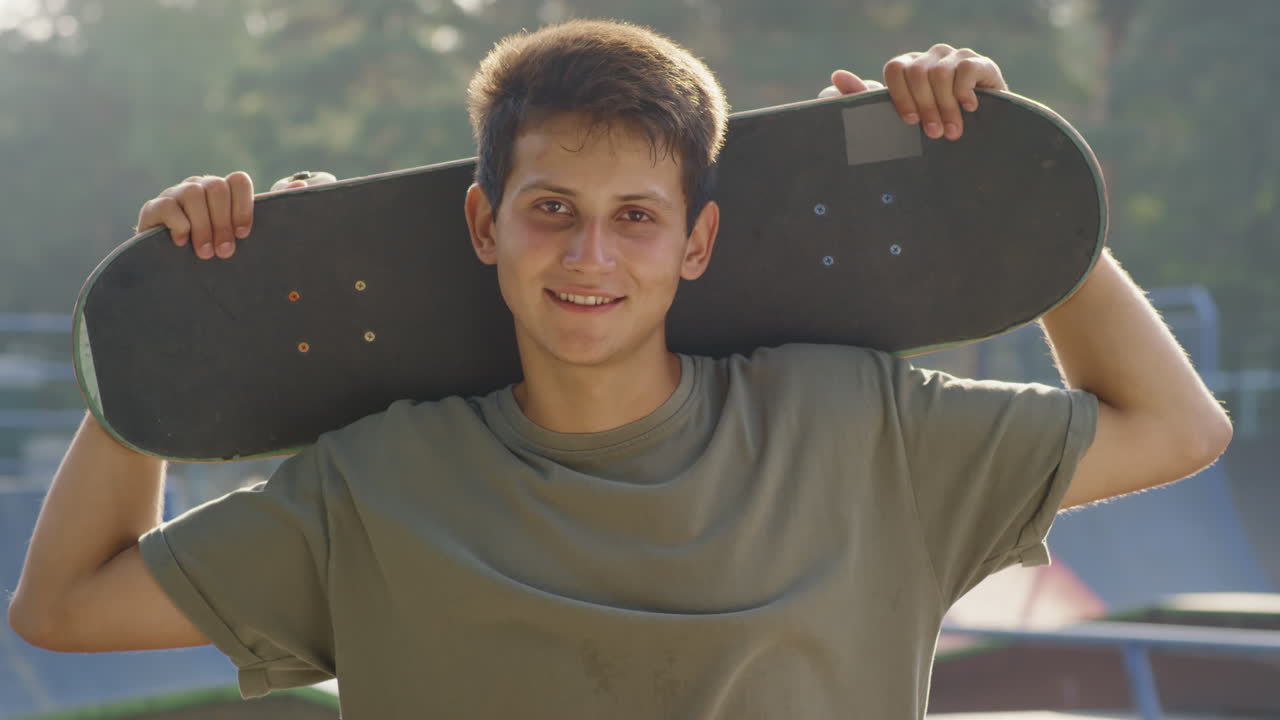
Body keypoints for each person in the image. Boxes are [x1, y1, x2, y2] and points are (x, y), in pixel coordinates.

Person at [9, 19, 1230, 719]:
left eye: (636, 216)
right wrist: (176, 324)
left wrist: (1003, 196)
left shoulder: (855, 428)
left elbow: (1174, 426)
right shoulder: (379, 484)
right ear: (485, 227)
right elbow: (64, 607)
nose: (589, 254)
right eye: (549, 208)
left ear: (695, 241)